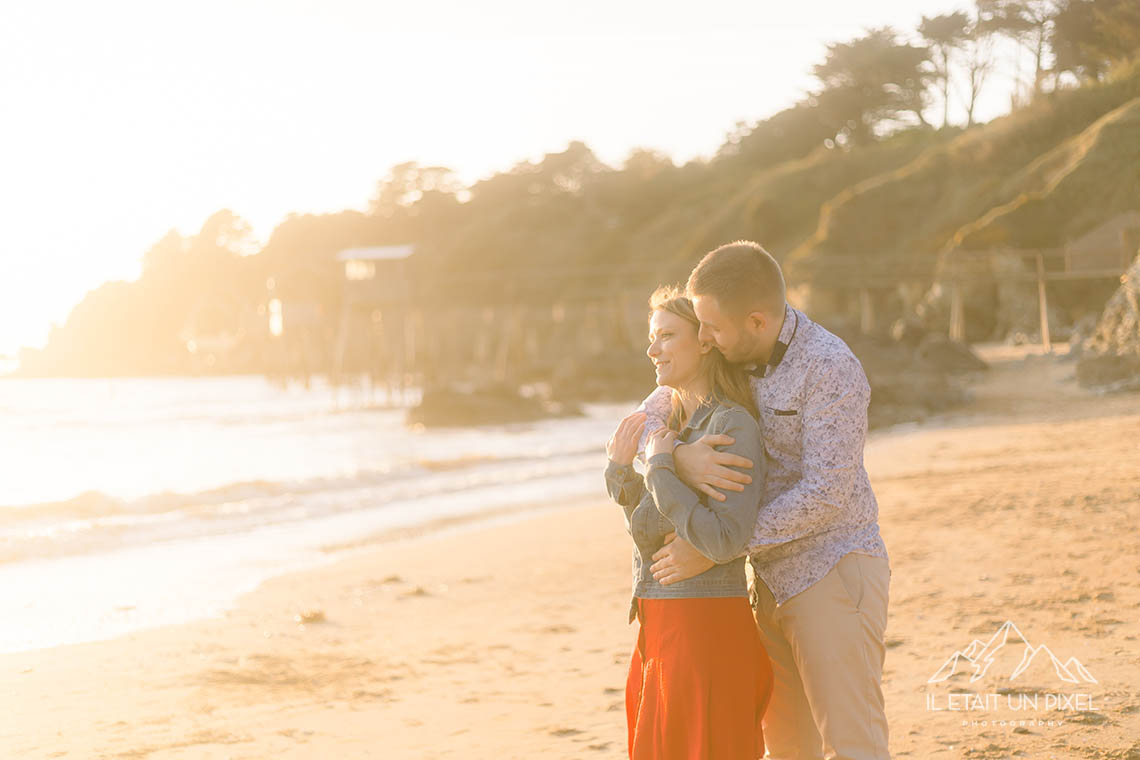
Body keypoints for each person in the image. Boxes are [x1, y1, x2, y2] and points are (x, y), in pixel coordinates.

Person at [636, 241, 892, 760]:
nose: (702, 338)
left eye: (711, 328)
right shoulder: (734, 360)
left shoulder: (829, 367)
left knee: (851, 742)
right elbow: (644, 424)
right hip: (764, 582)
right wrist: (677, 460)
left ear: (756, 321)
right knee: (787, 748)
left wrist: (720, 546)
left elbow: (828, 493)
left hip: (832, 571)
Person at [605, 284, 773, 760]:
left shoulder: (730, 426)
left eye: (666, 335)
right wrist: (622, 470)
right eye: (651, 337)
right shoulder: (674, 427)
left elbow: (724, 539)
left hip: (704, 626)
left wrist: (661, 465)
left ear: (704, 341)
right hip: (659, 622)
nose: (651, 349)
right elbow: (651, 529)